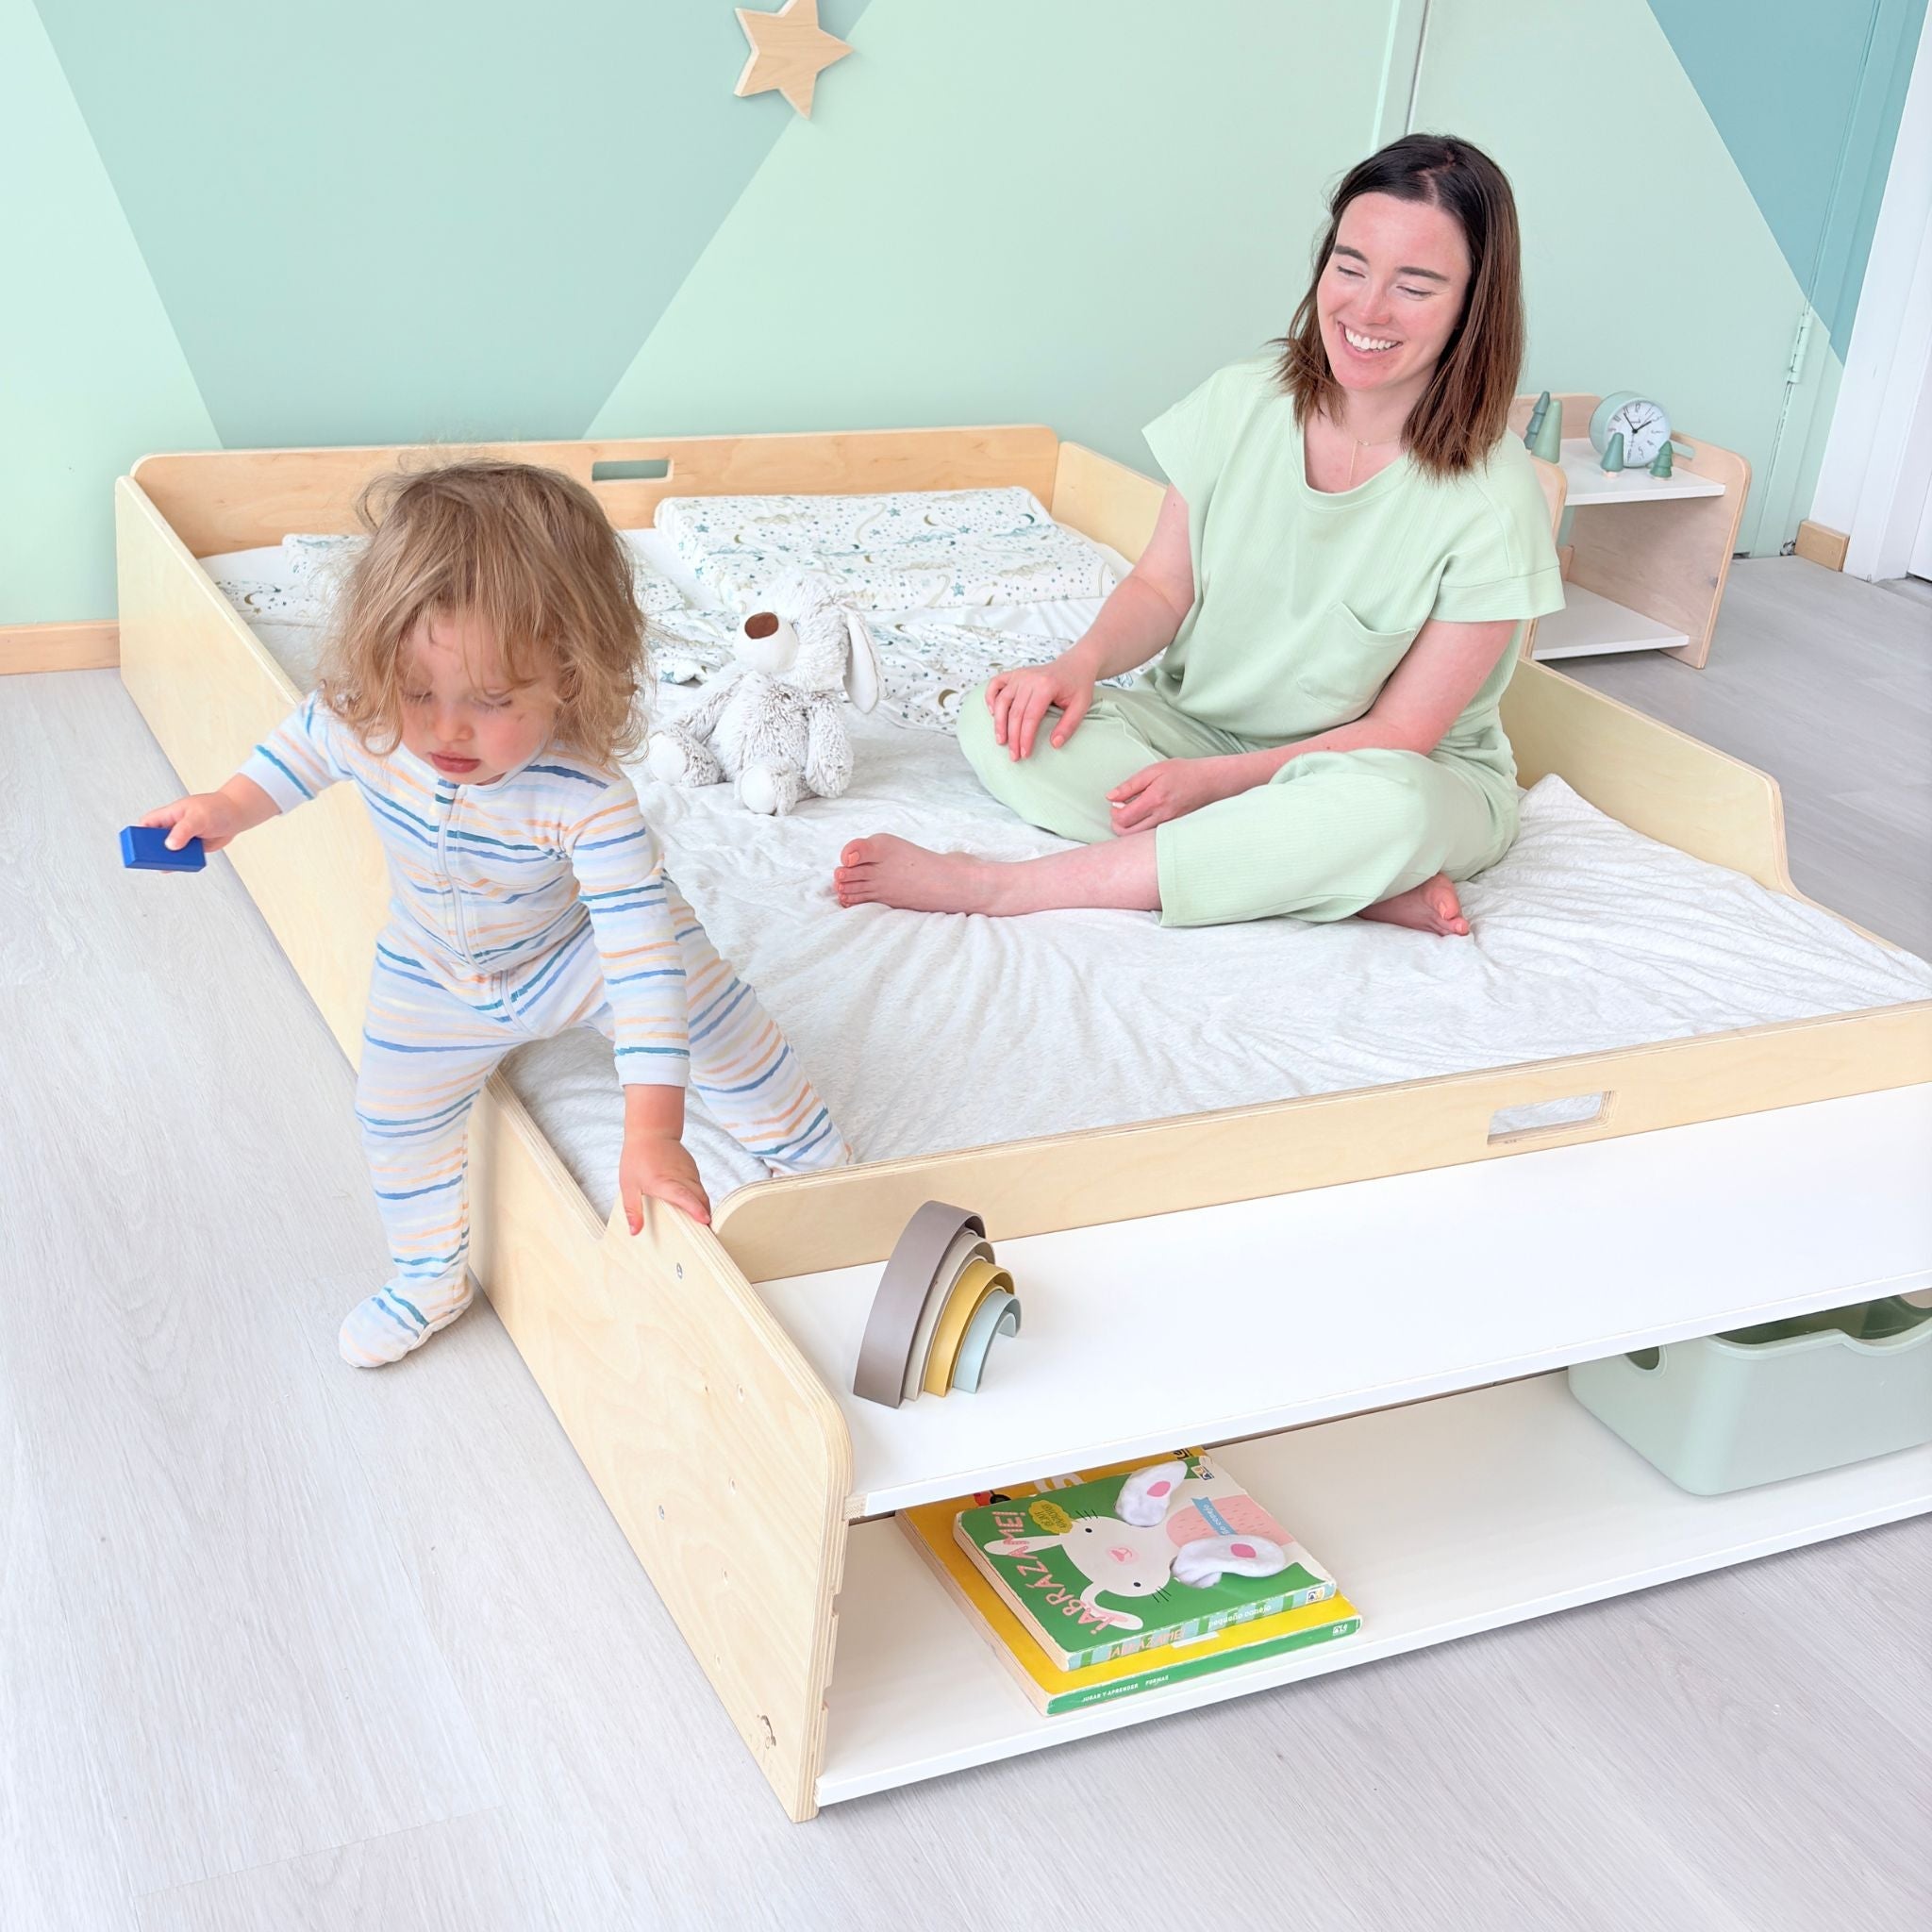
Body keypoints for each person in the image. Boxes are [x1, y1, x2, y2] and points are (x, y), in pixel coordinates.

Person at [142, 462, 847, 1366]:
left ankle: (813, 1153)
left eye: (491, 700)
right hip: (437, 969)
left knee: (703, 1002)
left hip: (573, 950)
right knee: (389, 1113)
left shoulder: (588, 797)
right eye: (420, 691)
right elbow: (298, 749)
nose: (445, 731)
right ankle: (429, 1276)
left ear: (570, 675)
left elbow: (638, 967)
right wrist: (225, 809)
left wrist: (651, 1136)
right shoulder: (371, 721)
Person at [834, 133, 1562, 937]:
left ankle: (1007, 887)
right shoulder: (1241, 401)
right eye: (1350, 266)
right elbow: (1160, 588)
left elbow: (1400, 735)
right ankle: (1310, 873)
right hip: (1200, 725)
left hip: (1400, 771)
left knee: (1388, 812)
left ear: (1472, 304)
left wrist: (1214, 786)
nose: (1366, 309)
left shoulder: (1494, 498)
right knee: (1000, 719)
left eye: (1414, 286)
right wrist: (1077, 665)